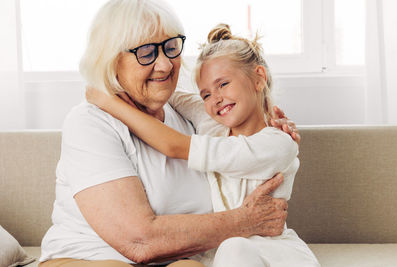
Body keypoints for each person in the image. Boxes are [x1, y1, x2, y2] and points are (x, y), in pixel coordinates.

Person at [39, 1, 297, 266]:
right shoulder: (90, 123)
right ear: (112, 60)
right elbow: (139, 242)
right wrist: (244, 221)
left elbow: (240, 114)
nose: (164, 65)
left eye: (171, 47)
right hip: (90, 258)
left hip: (172, 259)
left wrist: (271, 124)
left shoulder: (192, 115)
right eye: (147, 52)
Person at [86, 23, 320, 267]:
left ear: (258, 78)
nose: (215, 99)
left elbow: (173, 146)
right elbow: (168, 94)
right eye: (206, 94)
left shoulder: (279, 144)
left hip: (271, 253)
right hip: (220, 253)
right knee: (224, 251)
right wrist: (120, 81)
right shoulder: (213, 124)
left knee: (235, 247)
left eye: (223, 84)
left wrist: (108, 102)